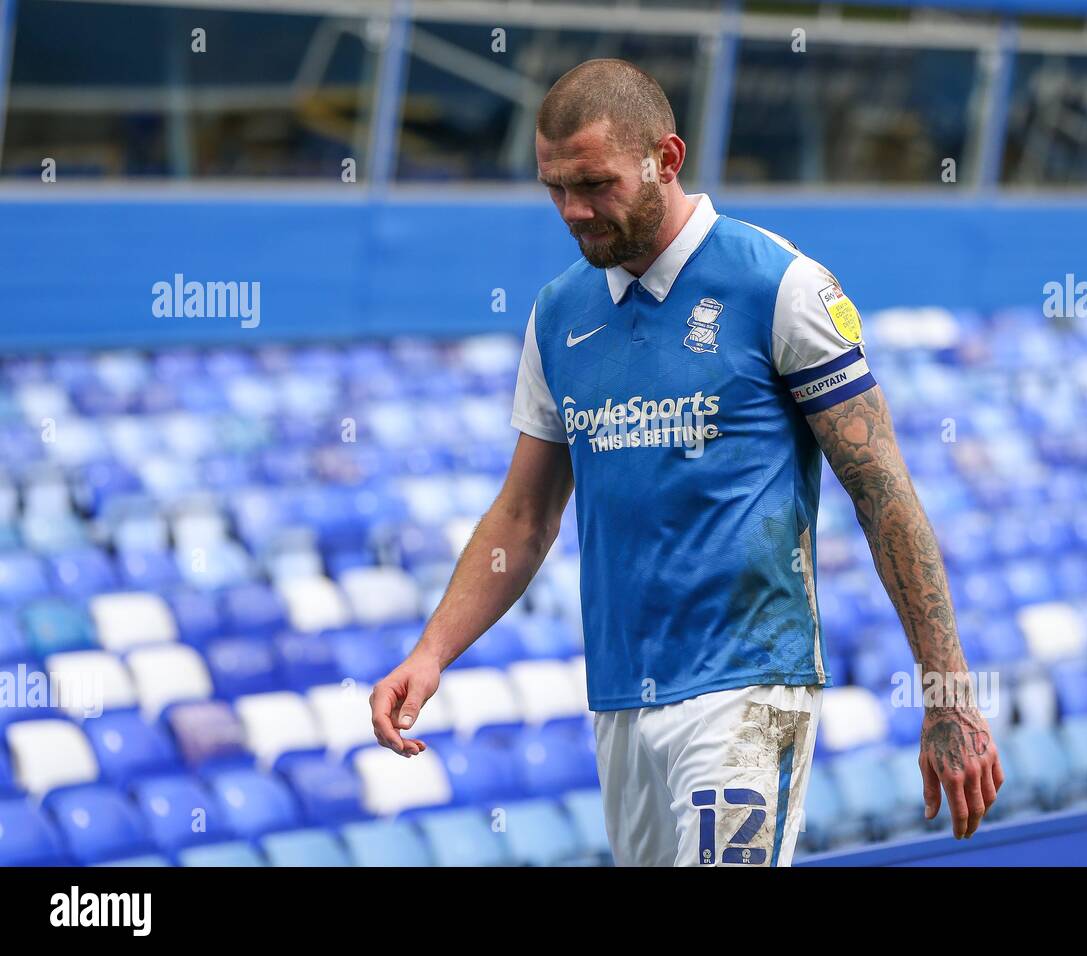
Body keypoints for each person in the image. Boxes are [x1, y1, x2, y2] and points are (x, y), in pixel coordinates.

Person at [371, 58, 1002, 866]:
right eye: (555, 189)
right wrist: (430, 654)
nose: (574, 210)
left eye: (594, 184)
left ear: (665, 160)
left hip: (748, 687)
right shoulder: (559, 312)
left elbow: (884, 493)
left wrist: (946, 694)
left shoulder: (779, 285)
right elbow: (524, 518)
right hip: (622, 698)